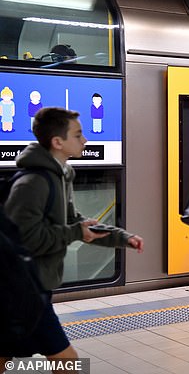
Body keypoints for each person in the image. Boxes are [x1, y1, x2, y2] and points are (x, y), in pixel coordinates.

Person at [1, 107, 144, 367]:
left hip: (33, 284)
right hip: (22, 287)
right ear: (58, 142)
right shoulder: (34, 182)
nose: (85, 140)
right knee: (68, 361)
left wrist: (122, 238)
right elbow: (24, 238)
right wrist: (76, 232)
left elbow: (75, 222)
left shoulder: (61, 175)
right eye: (78, 135)